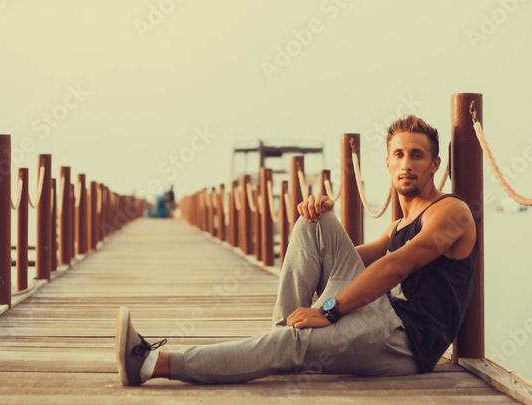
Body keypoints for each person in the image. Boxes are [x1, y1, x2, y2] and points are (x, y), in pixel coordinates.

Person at [115, 115, 479, 386]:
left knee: (290, 341)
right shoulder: (401, 222)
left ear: (435, 165)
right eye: (398, 154)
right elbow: (355, 257)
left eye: (417, 155)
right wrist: (318, 212)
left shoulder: (452, 213)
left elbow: (396, 266)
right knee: (313, 222)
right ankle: (283, 335)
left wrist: (331, 311)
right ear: (387, 163)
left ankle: (153, 364)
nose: (406, 163)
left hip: (405, 342)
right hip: (382, 317)